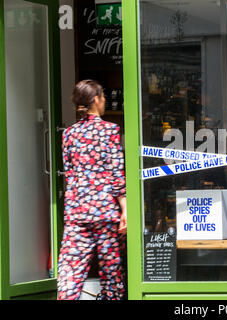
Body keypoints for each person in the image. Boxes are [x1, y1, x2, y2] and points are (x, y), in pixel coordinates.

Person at [57, 80, 127, 300]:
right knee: (111, 272)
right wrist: (125, 209)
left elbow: (69, 174)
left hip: (77, 211)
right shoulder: (110, 130)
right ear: (95, 99)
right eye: (103, 96)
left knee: (70, 270)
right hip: (104, 212)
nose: (105, 100)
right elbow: (116, 173)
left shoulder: (68, 134)